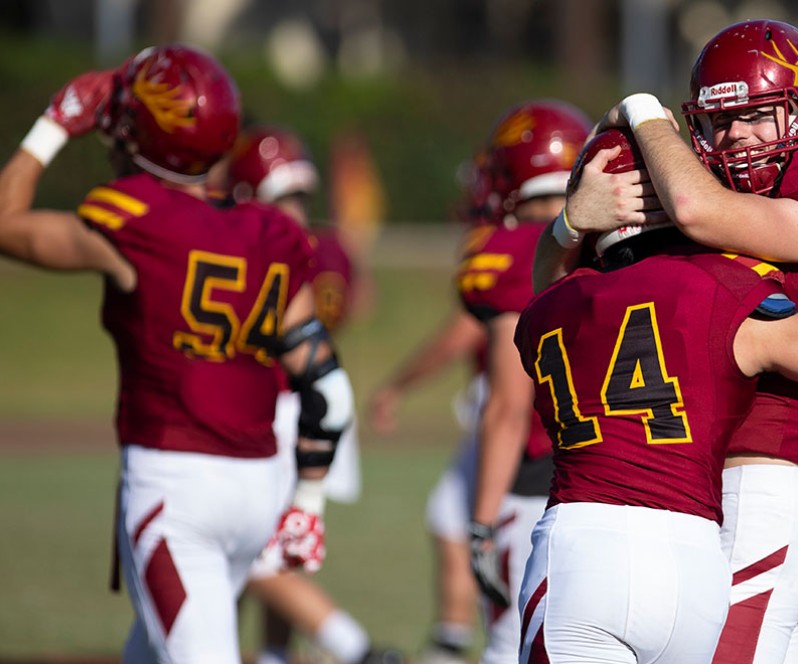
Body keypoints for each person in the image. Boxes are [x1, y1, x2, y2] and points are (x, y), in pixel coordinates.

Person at [535, 19, 798, 662]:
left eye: (760, 116)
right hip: (688, 505)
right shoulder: (680, 205)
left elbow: (701, 210)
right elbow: (552, 300)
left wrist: (642, 115)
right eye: (719, 121)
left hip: (768, 488)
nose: (736, 137)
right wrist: (568, 223)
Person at [0, 45, 355, 662]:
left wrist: (54, 125)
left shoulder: (133, 218)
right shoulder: (271, 232)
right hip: (256, 494)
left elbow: (6, 221)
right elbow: (326, 387)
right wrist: (308, 504)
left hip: (176, 490)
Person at [224, 127, 402, 664]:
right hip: (326, 400)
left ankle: (356, 649)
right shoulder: (332, 248)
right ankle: (274, 655)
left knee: (249, 555)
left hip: (275, 408)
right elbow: (360, 306)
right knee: (280, 551)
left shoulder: (254, 242)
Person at [460, 99, 592, 664]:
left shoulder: (513, 252)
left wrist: (481, 524)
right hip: (622, 480)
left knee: (511, 648)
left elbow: (509, 407)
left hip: (537, 492)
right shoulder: (616, 237)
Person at [366, 153, 494, 664]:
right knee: (449, 513)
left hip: (519, 411)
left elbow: (460, 334)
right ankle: (454, 635)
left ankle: (490, 639)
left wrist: (396, 386)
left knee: (492, 525)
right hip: (515, 405)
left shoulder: (501, 246)